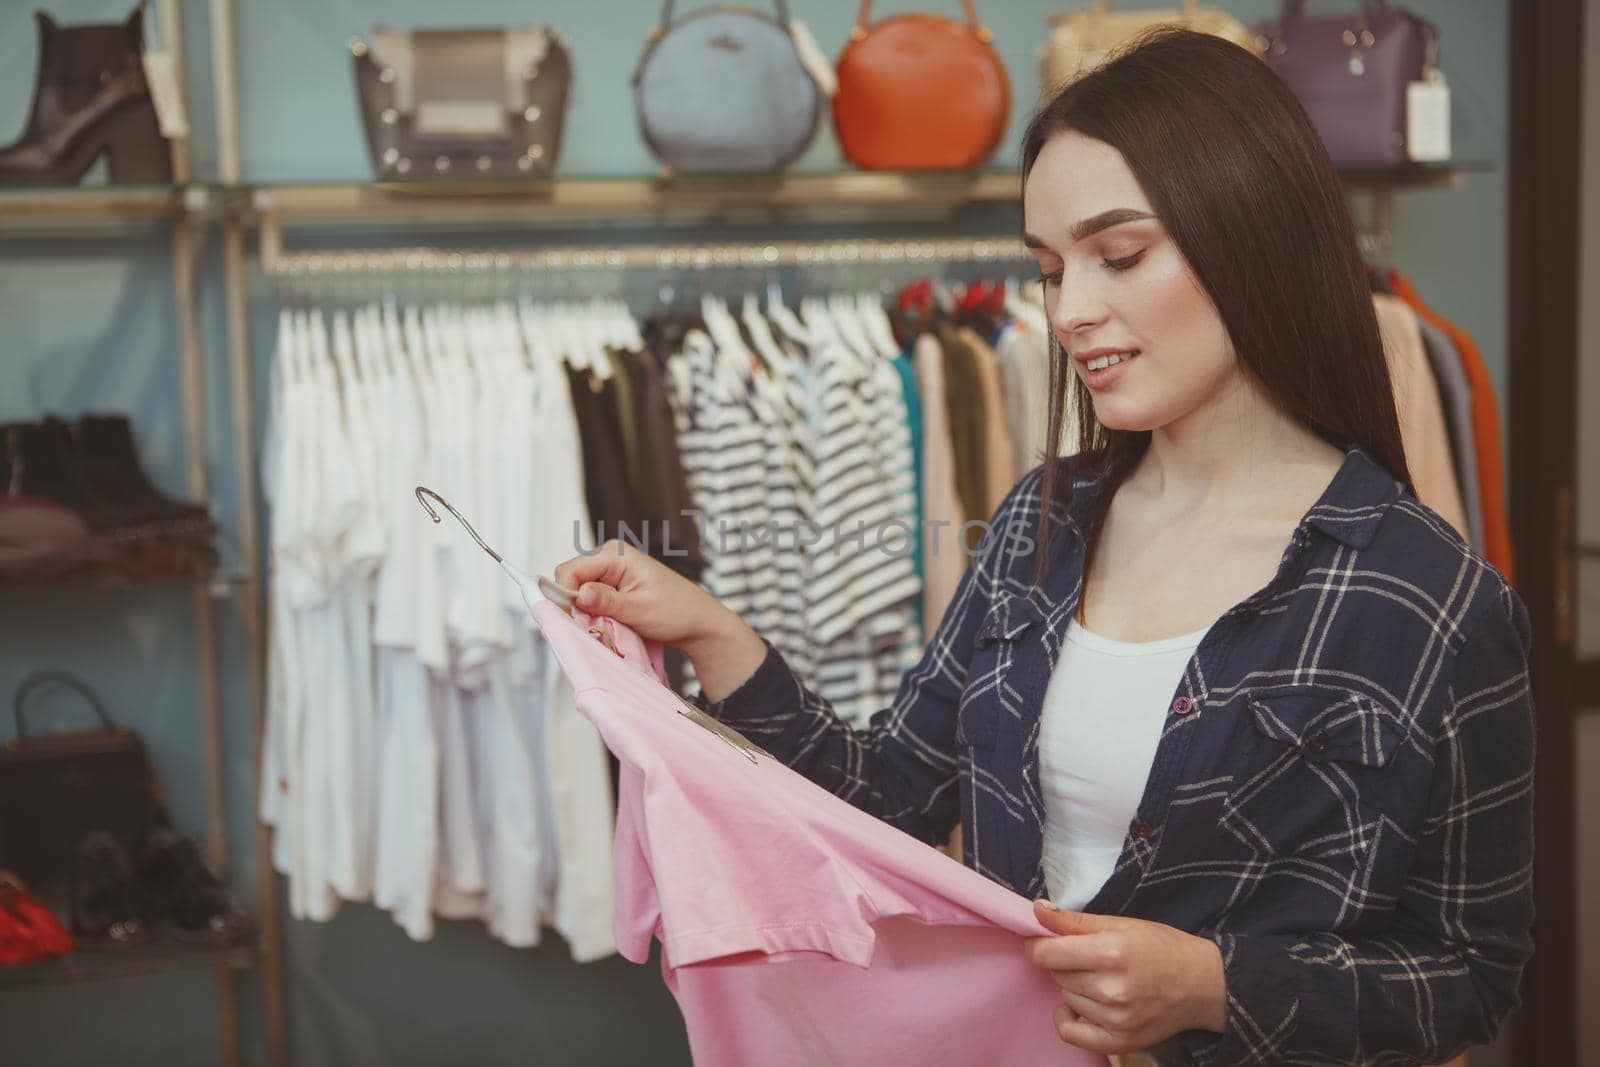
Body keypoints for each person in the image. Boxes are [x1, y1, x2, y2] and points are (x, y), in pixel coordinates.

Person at [553, 29, 1534, 1066]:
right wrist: (713, 632)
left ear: (1251, 230)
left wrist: (1215, 985)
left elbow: (1469, 972)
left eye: (1118, 256)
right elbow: (890, 792)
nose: (1068, 310)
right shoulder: (1042, 523)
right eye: (1051, 268)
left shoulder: (1430, 602)